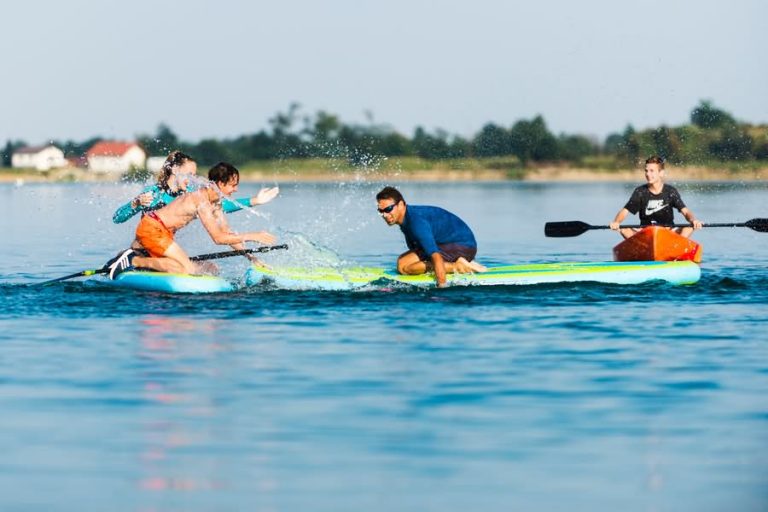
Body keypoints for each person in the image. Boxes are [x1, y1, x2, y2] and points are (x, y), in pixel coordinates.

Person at [106, 162, 277, 278]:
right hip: (151, 229)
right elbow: (218, 239)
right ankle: (132, 260)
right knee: (185, 269)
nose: (236, 189)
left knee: (210, 269)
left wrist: (251, 258)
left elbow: (227, 234)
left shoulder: (215, 202)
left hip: (164, 234)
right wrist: (253, 235)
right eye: (233, 185)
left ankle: (147, 266)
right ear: (220, 184)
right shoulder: (201, 200)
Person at [112, 150, 279, 224]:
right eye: (189, 174)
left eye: (194, 175)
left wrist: (255, 201)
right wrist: (135, 204)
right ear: (175, 170)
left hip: (164, 248)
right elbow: (117, 218)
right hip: (145, 250)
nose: (192, 179)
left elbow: (221, 206)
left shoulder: (190, 194)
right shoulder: (154, 193)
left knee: (212, 268)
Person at [375, 186, 486, 288]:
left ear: (401, 205)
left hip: (463, 246)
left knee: (405, 268)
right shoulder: (407, 218)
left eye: (388, 209)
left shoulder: (416, 222)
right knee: (402, 263)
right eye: (381, 211)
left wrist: (441, 287)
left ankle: (458, 267)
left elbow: (435, 256)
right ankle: (457, 263)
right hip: (453, 244)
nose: (384, 215)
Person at [609, 155, 703, 239]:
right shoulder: (640, 192)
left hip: (668, 233)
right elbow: (625, 211)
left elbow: (685, 212)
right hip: (646, 234)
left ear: (661, 173)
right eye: (646, 171)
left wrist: (693, 220)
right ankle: (641, 247)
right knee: (624, 230)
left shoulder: (670, 191)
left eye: (652, 171)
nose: (648, 174)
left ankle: (676, 246)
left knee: (688, 228)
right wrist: (616, 222)